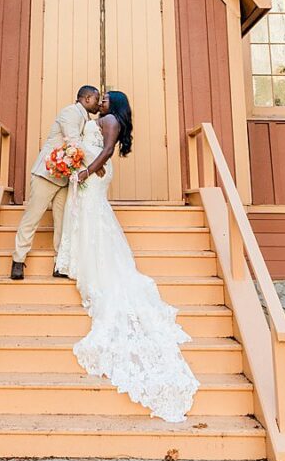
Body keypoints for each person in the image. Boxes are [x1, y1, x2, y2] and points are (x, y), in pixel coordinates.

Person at [55, 89, 198, 422]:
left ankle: (94, 265)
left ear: (113, 104)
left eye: (106, 97)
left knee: (93, 215)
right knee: (91, 215)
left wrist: (87, 171)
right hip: (92, 171)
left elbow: (105, 150)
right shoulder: (105, 119)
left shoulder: (108, 120)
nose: (101, 100)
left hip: (94, 174)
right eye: (100, 97)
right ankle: (81, 258)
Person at [12, 86, 103, 279]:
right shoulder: (70, 112)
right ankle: (18, 261)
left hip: (66, 178)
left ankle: (59, 264)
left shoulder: (87, 118)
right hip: (47, 174)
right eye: (96, 99)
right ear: (86, 98)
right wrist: (95, 164)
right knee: (32, 217)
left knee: (63, 223)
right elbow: (73, 142)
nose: (98, 103)